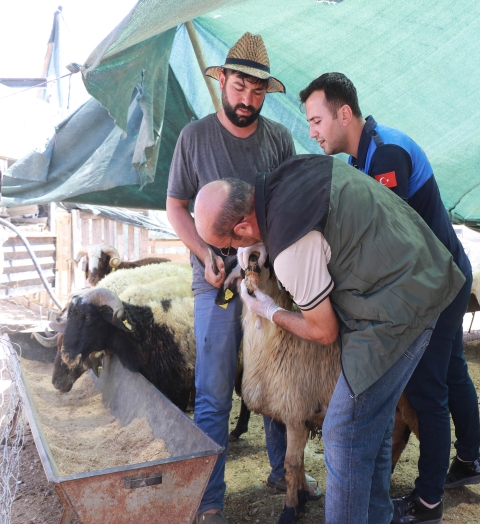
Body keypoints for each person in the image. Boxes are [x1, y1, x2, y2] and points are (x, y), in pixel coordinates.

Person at [193, 154, 466, 524]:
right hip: (423, 272)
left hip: (401, 304)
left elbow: (324, 331)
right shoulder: (293, 172)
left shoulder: (290, 247)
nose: (230, 255)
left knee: (343, 434)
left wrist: (271, 311)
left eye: (225, 247)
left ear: (242, 228)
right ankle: (378, 517)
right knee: (378, 425)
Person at [299, 72, 480, 524]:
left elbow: (390, 243)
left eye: (316, 119)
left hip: (435, 282)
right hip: (441, 272)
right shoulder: (362, 160)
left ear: (344, 113)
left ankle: (427, 502)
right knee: (451, 372)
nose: (312, 131)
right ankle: (470, 461)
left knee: (428, 388)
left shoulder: (385, 154)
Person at [166, 33, 315, 524]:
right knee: (212, 390)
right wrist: (207, 252)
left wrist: (258, 259)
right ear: (223, 81)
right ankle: (210, 500)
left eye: (256, 92)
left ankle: (283, 471)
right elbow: (175, 206)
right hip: (216, 283)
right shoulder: (194, 137)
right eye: (238, 88)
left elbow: (288, 208)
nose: (246, 100)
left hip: (268, 279)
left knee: (278, 375)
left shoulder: (278, 140)